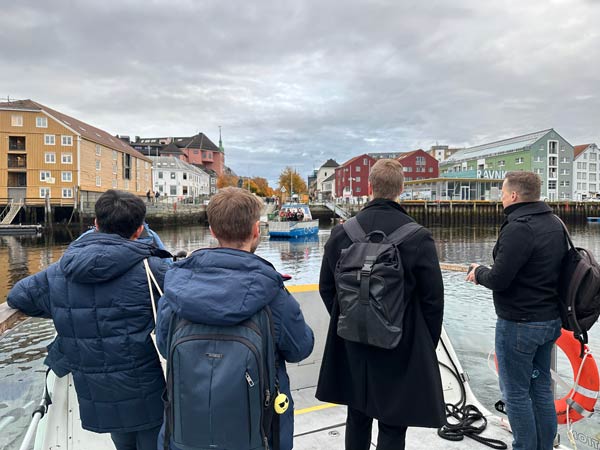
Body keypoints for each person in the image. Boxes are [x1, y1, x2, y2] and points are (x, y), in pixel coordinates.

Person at [7, 190, 171, 450]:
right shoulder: (155, 269)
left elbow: (19, 296)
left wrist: (63, 306)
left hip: (99, 395)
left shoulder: (61, 271)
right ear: (140, 230)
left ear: (95, 224)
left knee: (123, 443)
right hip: (150, 391)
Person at [156, 187, 314, 450]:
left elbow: (165, 346)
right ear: (255, 230)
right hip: (259, 432)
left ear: (212, 231)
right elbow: (300, 348)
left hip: (187, 430)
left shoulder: (176, 288)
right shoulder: (273, 293)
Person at [316, 159, 445, 450]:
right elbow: (433, 302)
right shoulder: (418, 238)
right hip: (398, 344)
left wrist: (352, 319)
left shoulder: (342, 234)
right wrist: (422, 344)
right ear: (401, 189)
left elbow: (327, 288)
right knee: (393, 423)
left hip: (352, 342)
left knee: (357, 415)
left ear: (369, 187)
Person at [466, 171, 567, 450]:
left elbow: (500, 279)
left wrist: (478, 272)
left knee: (516, 393)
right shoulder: (554, 223)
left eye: (501, 192)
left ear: (513, 195)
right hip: (549, 321)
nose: (499, 197)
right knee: (540, 388)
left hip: (520, 324)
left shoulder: (519, 227)